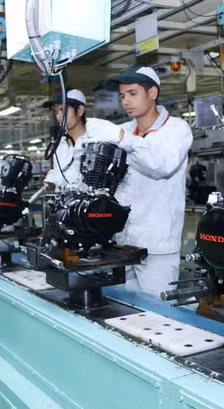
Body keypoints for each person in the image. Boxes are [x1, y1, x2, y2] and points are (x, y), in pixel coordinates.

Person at [85, 65, 193, 296]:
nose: (126, 101)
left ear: (152, 93)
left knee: (158, 312)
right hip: (123, 242)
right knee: (123, 309)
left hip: (157, 247)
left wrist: (121, 138)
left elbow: (162, 165)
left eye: (132, 93)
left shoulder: (176, 129)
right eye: (122, 95)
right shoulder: (124, 130)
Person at [43, 89, 89, 188]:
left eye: (63, 110)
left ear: (80, 111)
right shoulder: (59, 145)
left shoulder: (93, 143)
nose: (59, 116)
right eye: (56, 112)